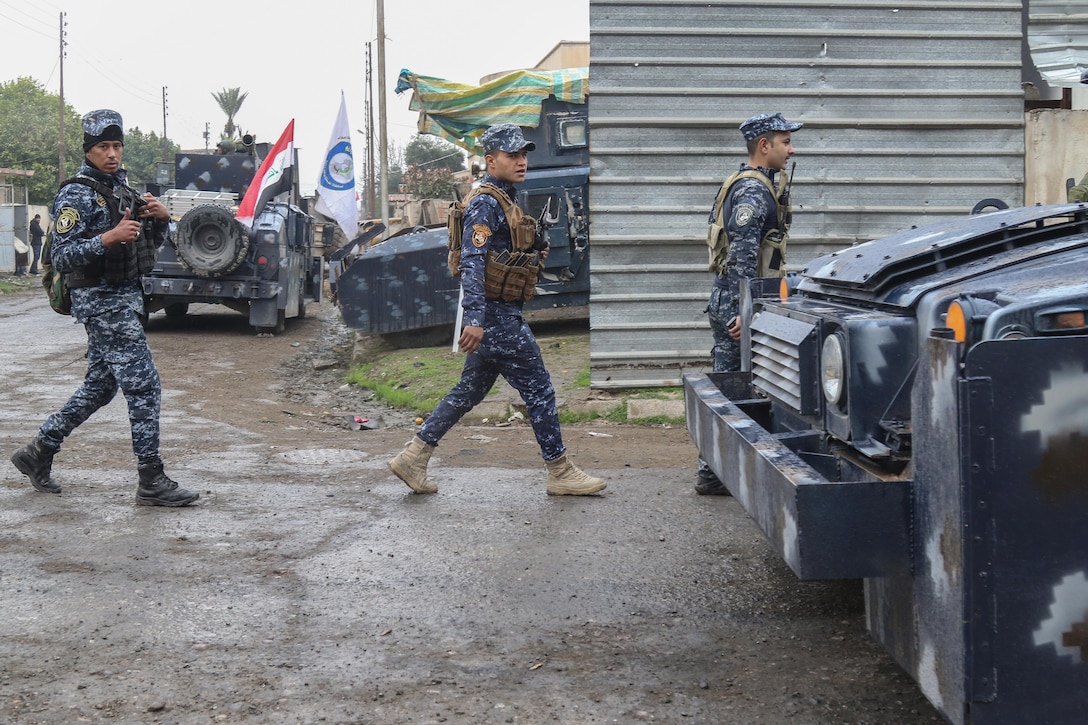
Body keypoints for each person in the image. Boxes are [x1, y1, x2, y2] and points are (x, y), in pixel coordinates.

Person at [388, 123, 606, 497]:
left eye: (524, 155)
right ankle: (560, 470)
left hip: (496, 313)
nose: (522, 161)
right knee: (539, 389)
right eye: (512, 155)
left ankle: (414, 455)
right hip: (496, 316)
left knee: (468, 392)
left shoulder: (504, 197)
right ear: (490, 161)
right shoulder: (486, 203)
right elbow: (472, 262)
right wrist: (475, 320)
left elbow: (497, 255)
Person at [10, 109, 200, 507]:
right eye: (102, 147)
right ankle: (151, 479)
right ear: (89, 150)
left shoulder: (120, 187)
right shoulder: (76, 193)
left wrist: (161, 220)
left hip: (125, 298)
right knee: (144, 386)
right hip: (101, 301)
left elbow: (144, 246)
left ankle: (37, 451)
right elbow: (61, 255)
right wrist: (108, 238)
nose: (111, 154)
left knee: (101, 386)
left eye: (116, 146)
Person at [696, 112, 801, 495]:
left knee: (733, 386)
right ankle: (716, 472)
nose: (791, 149)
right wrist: (747, 312)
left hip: (736, 299)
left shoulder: (750, 183)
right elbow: (742, 257)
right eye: (785, 142)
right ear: (764, 145)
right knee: (736, 388)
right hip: (740, 301)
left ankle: (714, 470)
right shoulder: (753, 191)